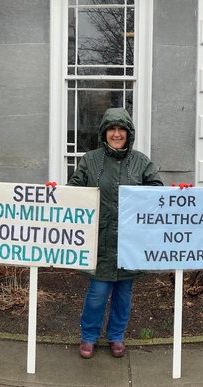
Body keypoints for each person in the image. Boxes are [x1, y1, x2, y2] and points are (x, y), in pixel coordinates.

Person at [68, 108, 163, 359]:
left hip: (130, 241)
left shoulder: (141, 162)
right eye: (112, 129)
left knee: (124, 294)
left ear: (129, 133)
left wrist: (180, 194)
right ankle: (88, 336)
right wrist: (57, 192)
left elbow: (157, 192)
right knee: (97, 293)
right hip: (99, 239)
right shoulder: (91, 159)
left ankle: (116, 336)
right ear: (104, 132)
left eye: (121, 129)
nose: (117, 134)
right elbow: (74, 190)